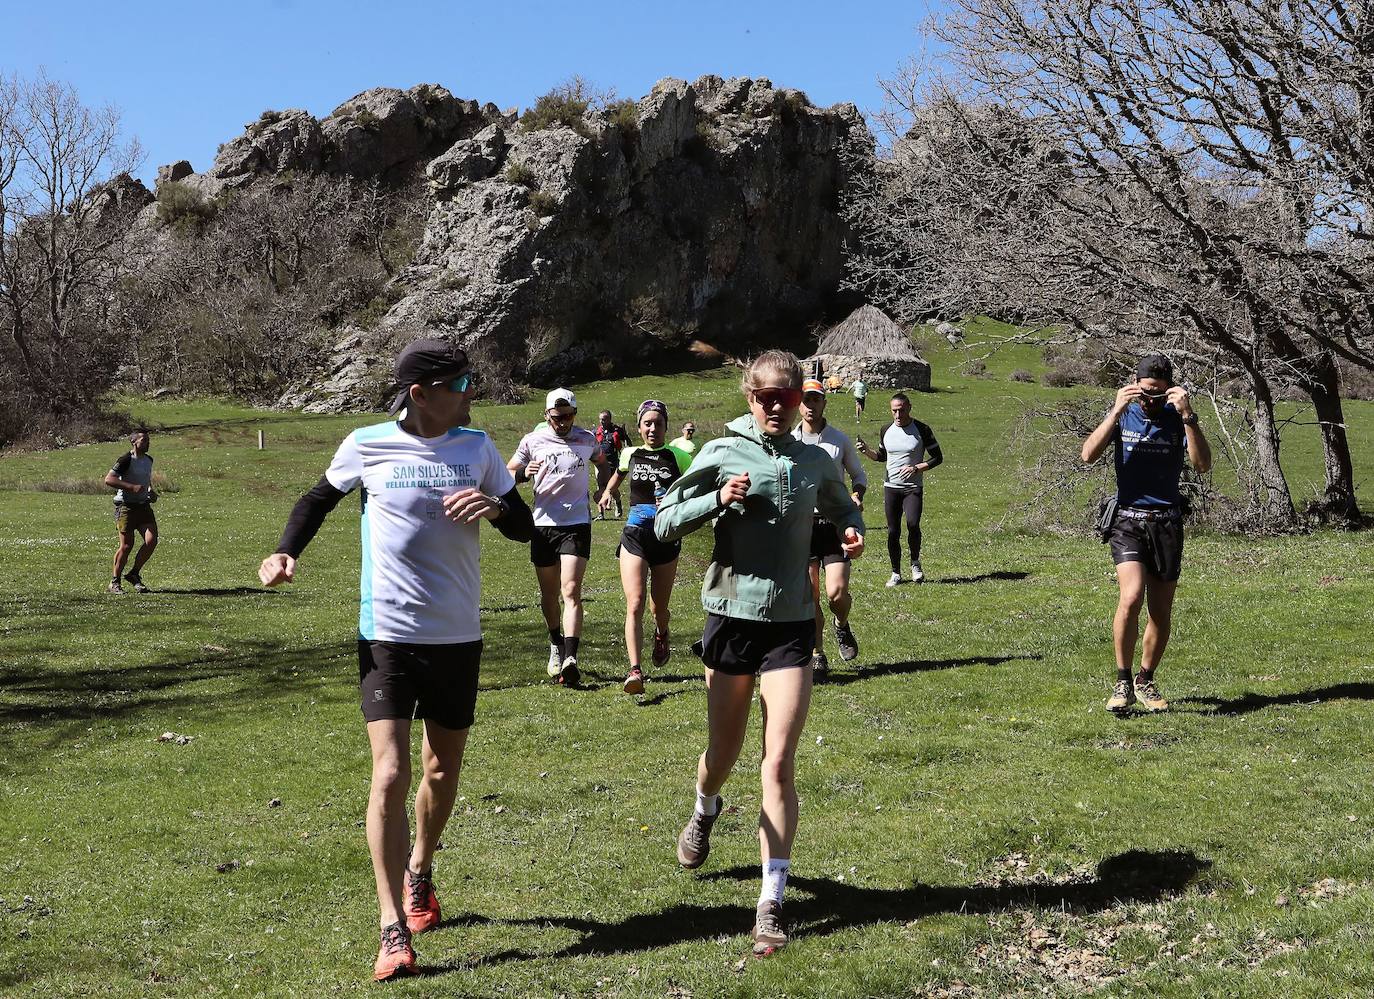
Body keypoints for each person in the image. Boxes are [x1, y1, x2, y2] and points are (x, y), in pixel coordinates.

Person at [257, 338, 534, 981]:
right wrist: (285, 552)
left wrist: (496, 507)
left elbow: (524, 528)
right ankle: (390, 926)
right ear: (421, 395)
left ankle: (420, 869)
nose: (472, 391)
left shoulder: (478, 448)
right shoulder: (367, 443)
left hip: (457, 635)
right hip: (387, 632)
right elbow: (316, 499)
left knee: (442, 770)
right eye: (462, 382)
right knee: (391, 772)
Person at [655, 350, 865, 956]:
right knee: (724, 752)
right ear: (749, 398)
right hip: (730, 620)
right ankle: (705, 806)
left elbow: (844, 506)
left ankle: (771, 899)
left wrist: (851, 530)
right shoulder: (722, 452)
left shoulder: (815, 459)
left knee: (778, 764)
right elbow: (665, 521)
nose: (775, 404)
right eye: (763, 395)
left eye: (786, 394)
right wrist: (716, 498)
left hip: (794, 624)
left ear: (801, 398)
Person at [1080, 353, 1211, 713]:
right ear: (1135, 386)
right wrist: (1115, 411)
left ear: (1170, 390)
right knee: (1131, 597)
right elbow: (1088, 454)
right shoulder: (1125, 414)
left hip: (1167, 521)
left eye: (1157, 393)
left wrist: (1188, 416)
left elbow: (1202, 464)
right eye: (1144, 391)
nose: (1149, 399)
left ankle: (1145, 680)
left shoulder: (1177, 418)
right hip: (1128, 520)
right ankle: (1122, 682)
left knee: (1160, 611)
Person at [508, 389, 605, 686]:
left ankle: (571, 657)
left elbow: (603, 462)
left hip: (576, 523)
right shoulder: (532, 440)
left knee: (571, 589)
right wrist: (525, 472)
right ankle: (555, 643)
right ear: (547, 415)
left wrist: (604, 489)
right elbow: (506, 473)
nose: (562, 422)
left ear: (574, 413)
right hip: (543, 524)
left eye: (568, 416)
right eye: (557, 416)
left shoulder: (587, 439)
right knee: (549, 594)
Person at [597, 400, 693, 694]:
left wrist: (677, 503)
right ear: (639, 428)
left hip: (665, 537)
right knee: (635, 602)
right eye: (647, 424)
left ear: (666, 426)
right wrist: (608, 493)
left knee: (658, 608)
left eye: (658, 423)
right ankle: (635, 670)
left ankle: (662, 632)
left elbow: (697, 487)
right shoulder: (630, 453)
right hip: (635, 534)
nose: (652, 429)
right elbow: (619, 473)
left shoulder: (679, 457)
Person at [792, 379, 867, 678]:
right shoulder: (790, 441)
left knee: (836, 593)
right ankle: (817, 653)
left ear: (825, 404)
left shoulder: (838, 439)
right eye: (806, 400)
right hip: (802, 527)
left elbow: (858, 474)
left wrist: (857, 494)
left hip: (833, 526)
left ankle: (841, 624)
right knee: (809, 597)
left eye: (816, 400)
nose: (811, 406)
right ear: (799, 404)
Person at [856, 392, 943, 587]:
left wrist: (917, 468)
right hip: (891, 488)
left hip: (913, 488)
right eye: (894, 410)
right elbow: (882, 456)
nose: (898, 414)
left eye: (901, 410)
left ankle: (915, 564)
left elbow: (938, 457)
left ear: (909, 408)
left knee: (912, 524)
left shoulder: (922, 429)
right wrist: (866, 451)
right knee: (893, 531)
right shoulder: (886, 429)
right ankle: (895, 572)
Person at [104, 428, 158, 593]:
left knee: (151, 541)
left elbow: (146, 481)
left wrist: (151, 492)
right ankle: (114, 582)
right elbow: (109, 479)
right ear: (134, 442)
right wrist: (131, 487)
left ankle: (134, 574)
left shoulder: (149, 460)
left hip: (143, 506)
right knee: (126, 546)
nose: (147, 443)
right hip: (126, 507)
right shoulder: (126, 459)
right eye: (144, 441)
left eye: (148, 440)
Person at [593, 410, 629, 519]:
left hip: (613, 462)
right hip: (599, 462)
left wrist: (627, 451)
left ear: (609, 419)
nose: (602, 421)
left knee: (612, 488)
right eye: (600, 419)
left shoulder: (617, 430)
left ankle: (617, 502)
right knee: (600, 487)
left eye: (604, 419)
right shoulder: (596, 431)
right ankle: (601, 514)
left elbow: (627, 441)